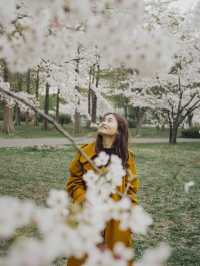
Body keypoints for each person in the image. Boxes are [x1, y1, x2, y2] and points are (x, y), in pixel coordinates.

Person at [65, 112, 140, 266]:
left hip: (116, 223)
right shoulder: (85, 152)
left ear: (119, 130)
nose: (103, 122)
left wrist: (130, 215)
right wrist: (84, 200)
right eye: (103, 120)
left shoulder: (127, 157)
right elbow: (74, 182)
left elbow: (131, 190)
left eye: (109, 120)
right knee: (83, 259)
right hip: (89, 218)